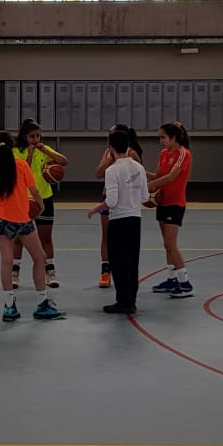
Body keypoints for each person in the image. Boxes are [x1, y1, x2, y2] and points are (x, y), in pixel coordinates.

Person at [0, 131, 65, 322]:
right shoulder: (20, 165)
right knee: (39, 257)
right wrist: (41, 206)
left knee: (6, 260)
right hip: (21, 217)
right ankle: (42, 303)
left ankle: (9, 306)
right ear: (11, 147)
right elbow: (34, 191)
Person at [87, 128, 147, 314]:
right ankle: (131, 300)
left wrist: (95, 209)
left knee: (118, 261)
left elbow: (111, 201)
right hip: (135, 218)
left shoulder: (112, 170)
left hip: (118, 220)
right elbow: (144, 196)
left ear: (111, 148)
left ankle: (122, 301)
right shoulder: (139, 168)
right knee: (132, 262)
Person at [11, 118, 69, 289]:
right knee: (18, 238)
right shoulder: (16, 151)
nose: (36, 139)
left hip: (44, 197)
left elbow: (64, 161)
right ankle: (14, 273)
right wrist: (30, 153)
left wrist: (46, 151)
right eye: (32, 136)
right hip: (24, 199)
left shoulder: (44, 149)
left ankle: (50, 272)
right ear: (24, 136)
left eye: (38, 136)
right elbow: (23, 171)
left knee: (46, 238)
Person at [147, 121, 193, 298]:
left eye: (163, 137)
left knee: (170, 244)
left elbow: (171, 177)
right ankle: (171, 279)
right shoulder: (164, 153)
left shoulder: (183, 154)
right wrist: (139, 171)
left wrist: (149, 185)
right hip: (163, 203)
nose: (160, 141)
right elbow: (159, 176)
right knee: (167, 245)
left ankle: (185, 283)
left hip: (175, 204)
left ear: (174, 137)